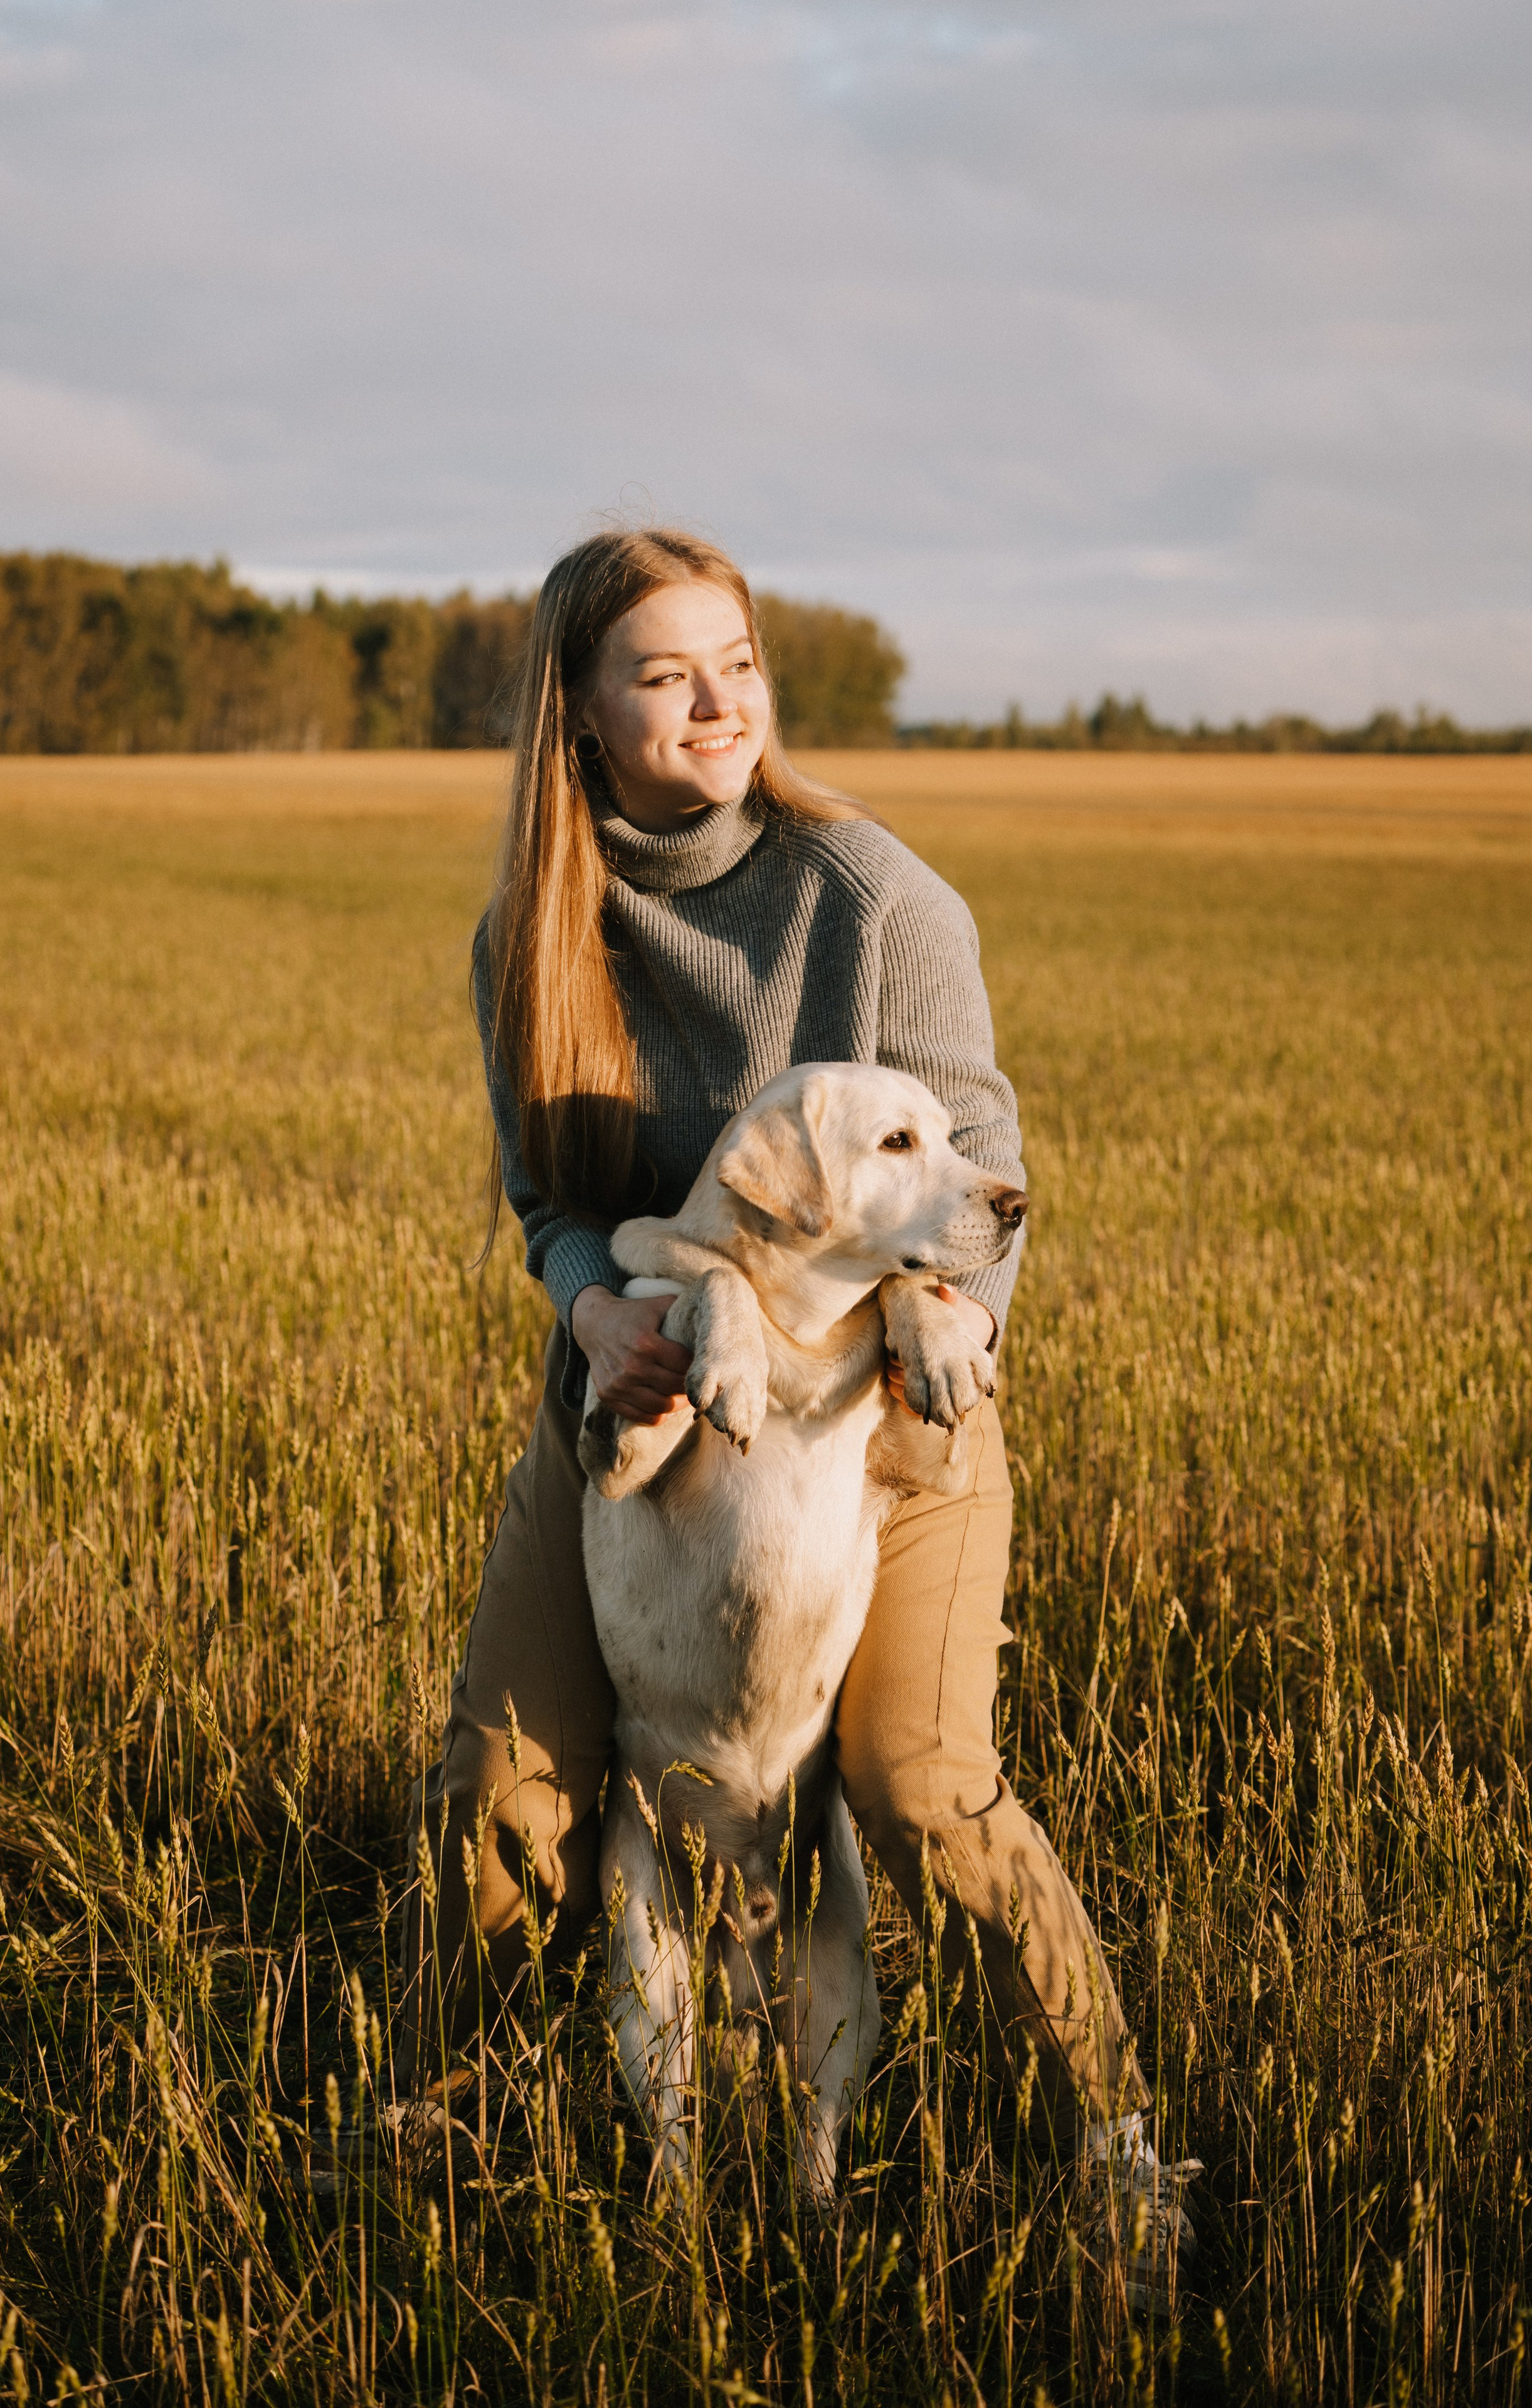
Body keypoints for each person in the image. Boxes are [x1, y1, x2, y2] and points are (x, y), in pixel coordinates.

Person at [309, 526, 1197, 2302]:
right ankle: (443, 2112)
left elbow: (985, 1182)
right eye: (664, 672)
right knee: (503, 1790)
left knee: (916, 1786)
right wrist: (594, 1312)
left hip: (886, 1398)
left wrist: (944, 1314)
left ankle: (1116, 2145)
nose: (719, 704)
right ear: (579, 715)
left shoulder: (874, 899)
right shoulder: (536, 936)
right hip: (646, 1401)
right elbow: (551, 1203)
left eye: (739, 663)